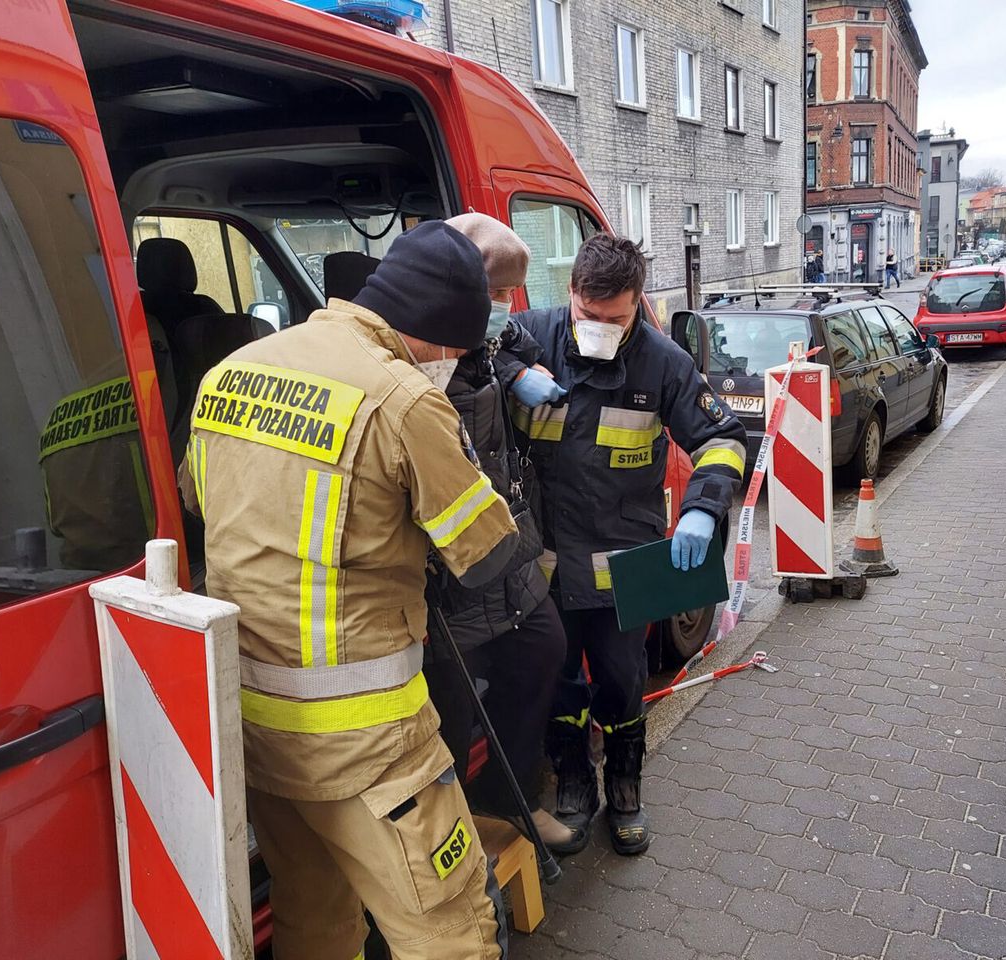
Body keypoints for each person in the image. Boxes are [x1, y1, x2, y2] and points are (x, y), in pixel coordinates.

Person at [180, 221, 518, 960]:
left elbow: (206, 504)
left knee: (314, 924)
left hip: (257, 729)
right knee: (452, 933)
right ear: (434, 330)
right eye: (458, 349)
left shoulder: (230, 372)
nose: (457, 364)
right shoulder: (405, 400)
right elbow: (488, 557)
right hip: (370, 747)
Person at [508, 234, 747, 856]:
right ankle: (573, 787)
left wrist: (701, 509)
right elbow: (471, 359)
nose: (598, 328)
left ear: (639, 303)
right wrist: (512, 371)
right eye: (587, 316)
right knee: (557, 683)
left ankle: (625, 788)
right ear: (571, 295)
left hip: (623, 564)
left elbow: (722, 438)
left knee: (621, 679)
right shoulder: (531, 334)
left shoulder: (662, 363)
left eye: (614, 318)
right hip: (549, 562)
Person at [425, 212, 580, 853]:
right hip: (448, 580)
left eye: (506, 297)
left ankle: (512, 801)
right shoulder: (420, 355)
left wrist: (515, 369)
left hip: (505, 559)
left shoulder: (490, 341)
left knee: (543, 649)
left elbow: (516, 338)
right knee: (448, 719)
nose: (500, 309)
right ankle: (450, 847)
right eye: (490, 295)